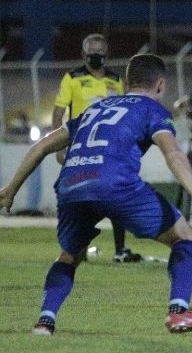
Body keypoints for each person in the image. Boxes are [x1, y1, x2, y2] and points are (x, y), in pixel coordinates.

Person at [0, 54, 192, 335]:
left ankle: (45, 322)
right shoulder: (153, 109)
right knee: (184, 238)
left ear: (126, 83)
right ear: (161, 85)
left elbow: (42, 145)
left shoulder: (96, 107)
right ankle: (178, 312)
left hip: (72, 184)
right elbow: (173, 153)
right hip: (115, 185)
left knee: (69, 256)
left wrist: (10, 190)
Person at [52, 33, 139, 263]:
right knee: (78, 199)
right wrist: (58, 147)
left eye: (100, 54)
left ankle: (120, 250)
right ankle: (76, 248)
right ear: (83, 54)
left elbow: (125, 113)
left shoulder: (116, 81)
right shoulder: (72, 78)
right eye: (92, 54)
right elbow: (58, 112)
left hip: (109, 149)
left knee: (116, 196)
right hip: (80, 148)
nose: (96, 58)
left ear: (107, 55)